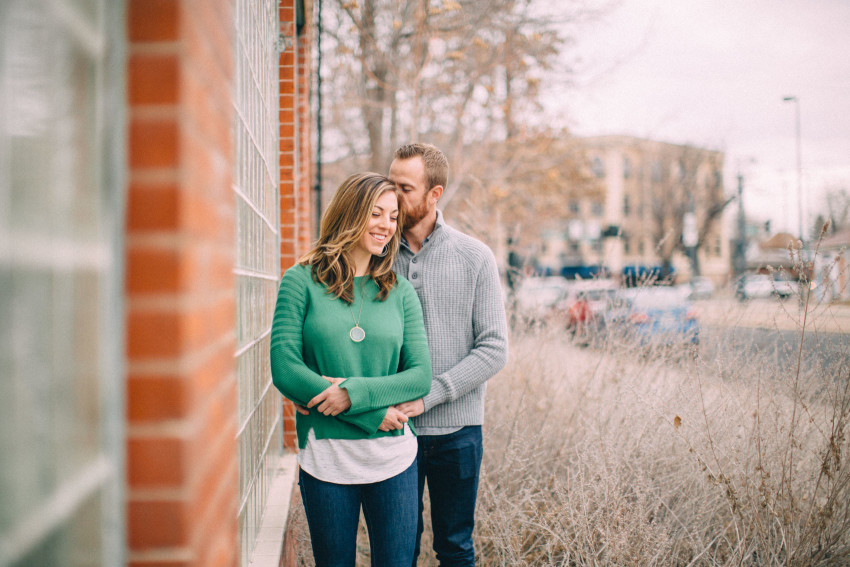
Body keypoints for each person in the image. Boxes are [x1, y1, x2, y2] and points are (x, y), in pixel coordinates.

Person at [270, 172, 432, 567]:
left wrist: (350, 394)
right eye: (375, 213)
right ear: (349, 213)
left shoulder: (399, 290)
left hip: (393, 459)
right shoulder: (300, 281)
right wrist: (374, 412)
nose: (385, 226)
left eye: (392, 217)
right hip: (326, 457)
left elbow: (419, 376)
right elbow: (285, 368)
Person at [388, 143, 509, 566]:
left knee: (455, 549)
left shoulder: (474, 256)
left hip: (458, 432)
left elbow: (494, 349)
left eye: (404, 187)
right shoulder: (376, 258)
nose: (393, 195)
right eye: (391, 184)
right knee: (396, 550)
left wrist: (429, 396)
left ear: (434, 194)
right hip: (393, 429)